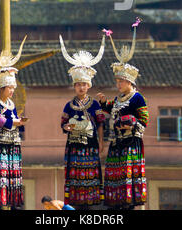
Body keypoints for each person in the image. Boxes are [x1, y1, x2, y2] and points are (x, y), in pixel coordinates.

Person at [97, 21, 149, 210]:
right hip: (116, 142)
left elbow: (144, 119)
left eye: (121, 81)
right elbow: (113, 110)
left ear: (129, 82)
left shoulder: (137, 98)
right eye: (117, 81)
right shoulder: (119, 98)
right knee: (115, 176)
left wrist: (131, 123)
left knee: (127, 177)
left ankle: (127, 205)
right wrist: (104, 103)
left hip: (130, 142)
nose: (118, 84)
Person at [59, 34, 106, 209]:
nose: (81, 87)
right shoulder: (68, 105)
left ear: (89, 86)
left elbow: (101, 123)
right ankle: (76, 204)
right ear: (74, 86)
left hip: (91, 144)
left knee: (91, 174)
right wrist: (66, 126)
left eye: (84, 84)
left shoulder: (94, 104)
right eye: (78, 84)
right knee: (75, 175)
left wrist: (101, 142)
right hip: (74, 145)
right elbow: (63, 125)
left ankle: (90, 204)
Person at [0, 66, 27, 210]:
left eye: (13, 88)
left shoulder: (12, 104)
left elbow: (14, 118)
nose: (12, 90)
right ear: (1, 88)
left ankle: (12, 203)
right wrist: (14, 122)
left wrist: (19, 122)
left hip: (13, 143)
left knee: (12, 174)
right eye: (9, 87)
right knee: (1, 174)